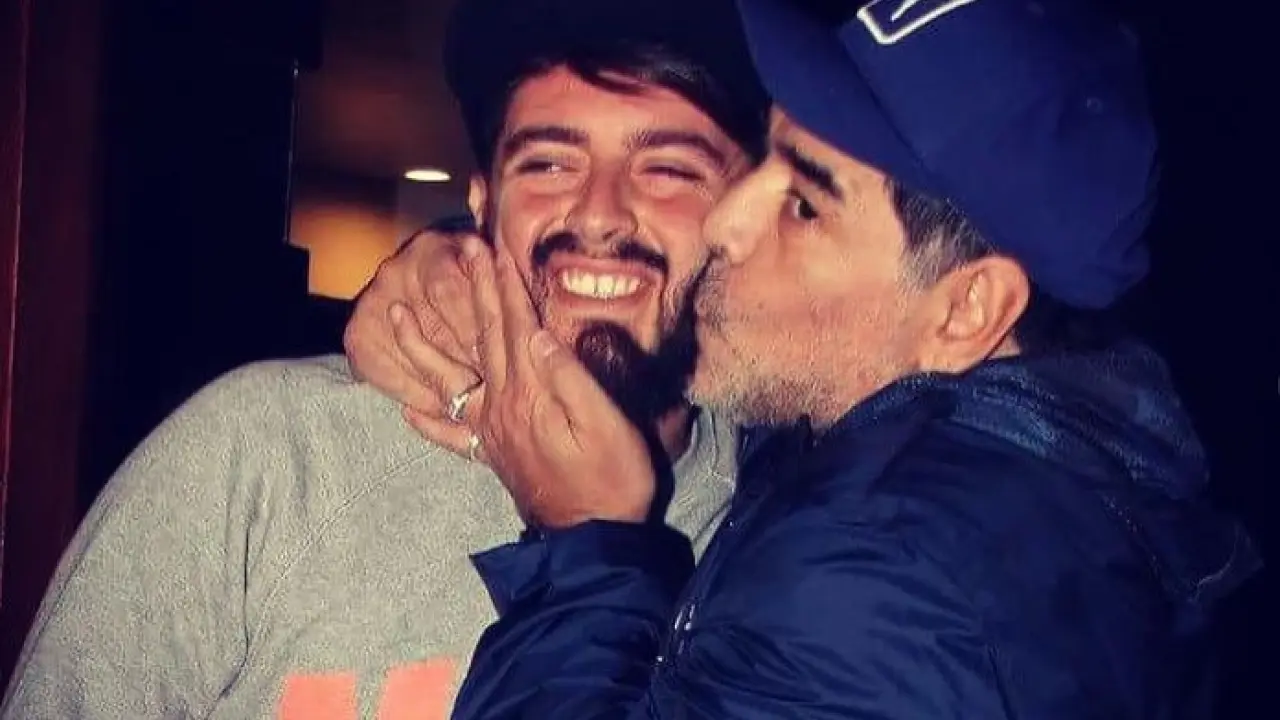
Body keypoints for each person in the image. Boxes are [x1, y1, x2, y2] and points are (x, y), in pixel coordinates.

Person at [359, 0, 1263, 717]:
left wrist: (588, 543)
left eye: (803, 204)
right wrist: (465, 265)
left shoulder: (884, 580)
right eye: (766, 161)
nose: (726, 222)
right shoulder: (1018, 470)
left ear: (967, 311)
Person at [0, 0, 769, 717]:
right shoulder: (266, 453)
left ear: (749, 212)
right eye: (548, 163)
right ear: (482, 205)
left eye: (669, 169)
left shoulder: (775, 526)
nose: (599, 214)